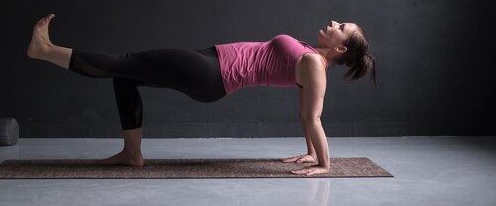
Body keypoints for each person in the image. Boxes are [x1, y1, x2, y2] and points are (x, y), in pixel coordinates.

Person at [27, 13, 376, 176]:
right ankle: (132, 154)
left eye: (341, 27)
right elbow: (305, 115)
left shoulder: (315, 65)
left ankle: (45, 50)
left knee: (125, 63)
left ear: (341, 49)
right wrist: (309, 151)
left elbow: (311, 116)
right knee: (124, 76)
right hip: (211, 62)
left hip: (212, 74)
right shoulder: (311, 58)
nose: (334, 22)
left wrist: (323, 163)